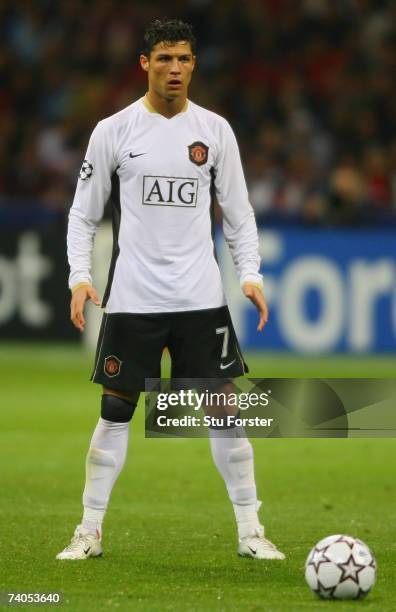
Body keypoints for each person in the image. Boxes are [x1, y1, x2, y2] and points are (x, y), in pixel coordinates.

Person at [57, 18, 284, 561]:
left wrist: (250, 274)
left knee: (224, 409)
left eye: (183, 59)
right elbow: (82, 216)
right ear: (145, 64)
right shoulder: (114, 130)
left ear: (194, 64)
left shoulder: (215, 130)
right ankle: (89, 531)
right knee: (116, 411)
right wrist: (79, 276)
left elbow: (239, 215)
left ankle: (251, 531)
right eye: (164, 59)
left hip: (200, 298)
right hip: (134, 296)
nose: (175, 69)